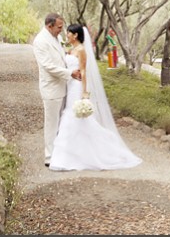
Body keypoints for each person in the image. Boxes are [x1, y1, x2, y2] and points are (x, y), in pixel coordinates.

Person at [49, 24, 142, 171]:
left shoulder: (81, 50)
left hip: (77, 87)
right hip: (69, 85)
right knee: (73, 117)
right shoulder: (71, 50)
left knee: (73, 116)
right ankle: (75, 153)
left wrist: (85, 94)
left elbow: (84, 72)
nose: (67, 35)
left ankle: (67, 158)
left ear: (76, 35)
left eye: (69, 33)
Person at [32, 13, 81, 168]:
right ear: (49, 25)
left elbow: (61, 58)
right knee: (51, 123)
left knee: (61, 122)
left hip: (63, 86)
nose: (61, 30)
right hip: (51, 88)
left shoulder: (57, 38)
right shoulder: (40, 41)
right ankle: (49, 156)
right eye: (59, 27)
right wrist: (69, 73)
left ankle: (59, 152)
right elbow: (48, 66)